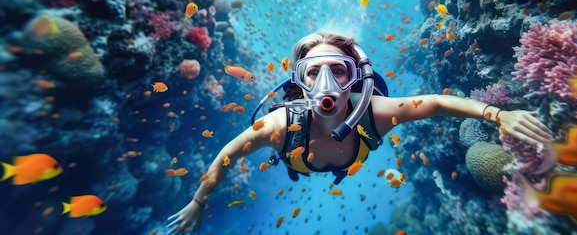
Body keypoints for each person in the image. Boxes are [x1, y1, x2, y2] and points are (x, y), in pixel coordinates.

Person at [166, 32, 552, 234]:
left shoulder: (374, 112)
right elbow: (228, 153)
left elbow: (435, 102)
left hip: (344, 159)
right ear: (298, 83)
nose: (327, 85)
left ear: (356, 77)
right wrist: (199, 201)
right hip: (299, 160)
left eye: (339, 71)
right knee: (295, 165)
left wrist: (496, 114)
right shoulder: (280, 126)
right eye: (313, 73)